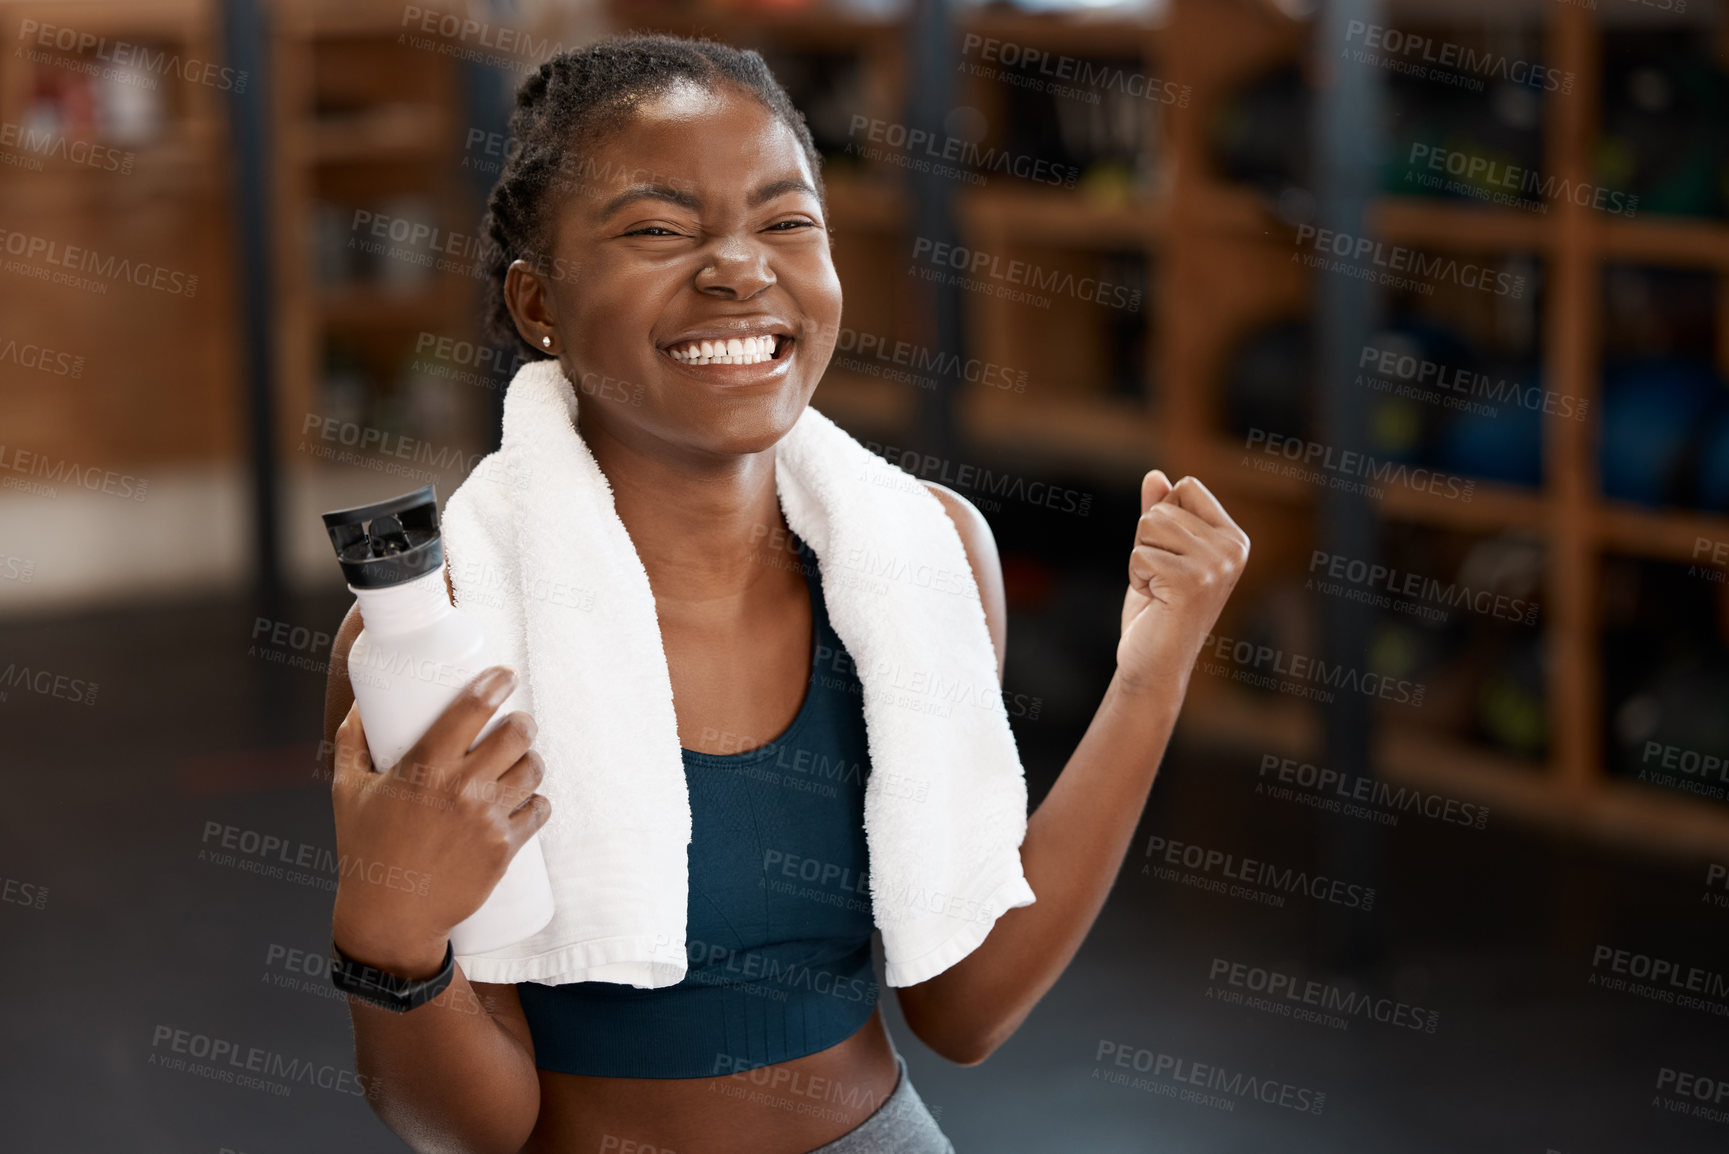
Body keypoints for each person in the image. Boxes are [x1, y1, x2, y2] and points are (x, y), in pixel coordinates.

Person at [319, 34, 1249, 1154]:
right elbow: (475, 1127)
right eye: (659, 229)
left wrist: (1150, 674)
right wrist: (389, 934)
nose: (739, 268)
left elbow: (967, 1002)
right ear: (538, 303)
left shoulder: (927, 553)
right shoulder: (443, 622)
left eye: (786, 221)